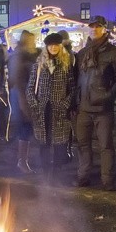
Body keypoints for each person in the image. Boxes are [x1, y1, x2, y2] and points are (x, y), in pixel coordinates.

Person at [73, 15, 116, 190]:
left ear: (104, 29)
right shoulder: (82, 53)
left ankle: (108, 180)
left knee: (106, 146)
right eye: (91, 27)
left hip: (103, 108)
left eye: (98, 27)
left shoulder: (114, 52)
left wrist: (108, 95)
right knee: (83, 145)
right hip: (83, 107)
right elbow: (76, 79)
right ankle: (83, 176)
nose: (94, 29)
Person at [27, 32, 76, 180]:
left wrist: (65, 104)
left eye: (56, 45)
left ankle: (57, 172)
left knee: (60, 143)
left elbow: (73, 87)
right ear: (46, 47)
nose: (53, 48)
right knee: (44, 142)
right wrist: (35, 104)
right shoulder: (39, 64)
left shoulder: (67, 63)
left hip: (59, 109)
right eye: (50, 45)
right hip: (42, 109)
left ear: (60, 46)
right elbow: (30, 87)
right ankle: (45, 170)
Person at [8, 30, 40, 174]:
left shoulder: (22, 55)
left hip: (22, 95)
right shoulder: (20, 56)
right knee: (24, 129)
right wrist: (23, 102)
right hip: (21, 96)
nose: (34, 43)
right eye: (32, 41)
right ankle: (22, 162)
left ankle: (21, 160)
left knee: (24, 129)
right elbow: (18, 80)